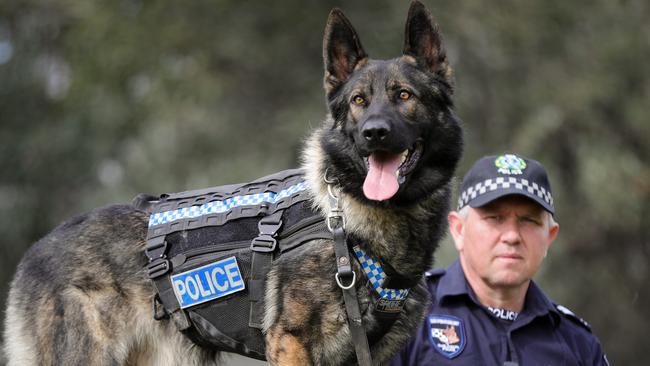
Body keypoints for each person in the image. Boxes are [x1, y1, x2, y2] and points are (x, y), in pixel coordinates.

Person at [390, 153, 609, 365]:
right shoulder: (403, 316)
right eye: (494, 218)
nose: (512, 236)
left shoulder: (577, 343)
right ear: (458, 230)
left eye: (528, 221)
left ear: (549, 238)